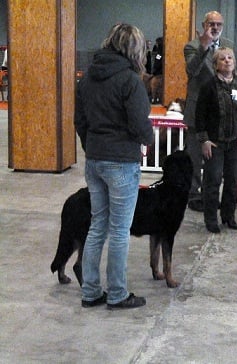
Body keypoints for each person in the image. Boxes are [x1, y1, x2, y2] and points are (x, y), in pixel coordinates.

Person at [74, 24, 153, 309]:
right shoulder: (130, 80)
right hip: (121, 162)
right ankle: (117, 294)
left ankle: (91, 292)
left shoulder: (86, 79)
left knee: (98, 227)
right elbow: (139, 122)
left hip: (95, 161)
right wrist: (148, 140)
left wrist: (91, 146)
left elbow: (80, 121)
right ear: (134, 49)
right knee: (120, 231)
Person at [195, 47, 237, 233]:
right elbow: (200, 115)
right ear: (216, 65)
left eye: (230, 58)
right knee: (212, 181)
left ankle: (229, 216)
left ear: (235, 62)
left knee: (232, 181)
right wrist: (204, 139)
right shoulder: (209, 86)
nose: (227, 61)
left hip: (235, 142)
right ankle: (211, 219)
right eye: (222, 59)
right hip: (214, 143)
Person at [183, 11, 233, 212]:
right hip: (197, 112)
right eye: (211, 23)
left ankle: (210, 194)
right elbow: (191, 70)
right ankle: (194, 195)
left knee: (215, 160)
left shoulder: (228, 45)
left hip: (219, 114)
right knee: (195, 157)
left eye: (218, 24)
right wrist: (204, 44)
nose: (215, 27)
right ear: (204, 25)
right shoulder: (192, 46)